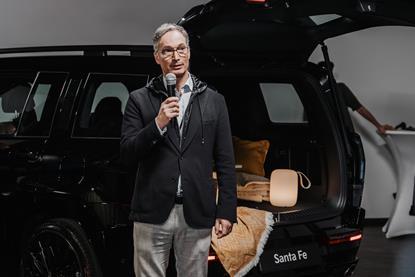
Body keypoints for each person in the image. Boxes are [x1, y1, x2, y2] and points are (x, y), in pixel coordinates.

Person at [120, 23, 237, 277]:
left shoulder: (214, 101)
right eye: (167, 51)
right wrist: (158, 124)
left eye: (181, 49)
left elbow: (226, 161)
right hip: (151, 211)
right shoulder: (139, 100)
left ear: (189, 52)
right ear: (156, 57)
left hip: (196, 210)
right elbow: (127, 153)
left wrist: (227, 211)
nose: (176, 57)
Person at [317, 61, 394, 134]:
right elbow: (360, 109)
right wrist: (379, 126)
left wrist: (379, 126)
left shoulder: (337, 89)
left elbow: (360, 108)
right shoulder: (337, 88)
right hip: (337, 136)